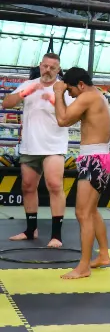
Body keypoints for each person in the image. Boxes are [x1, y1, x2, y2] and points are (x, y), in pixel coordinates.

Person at [2, 54, 70, 248]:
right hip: (31, 145)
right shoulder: (28, 85)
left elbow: (71, 116)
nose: (48, 70)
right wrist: (26, 92)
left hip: (54, 145)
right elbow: (6, 103)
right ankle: (31, 230)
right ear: (40, 66)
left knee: (55, 185)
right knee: (28, 187)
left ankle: (56, 235)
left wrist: (53, 100)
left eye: (52, 67)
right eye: (45, 66)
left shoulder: (63, 89)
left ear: (58, 70)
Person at [53, 68, 110, 279]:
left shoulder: (87, 96)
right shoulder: (97, 96)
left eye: (70, 90)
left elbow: (63, 120)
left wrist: (58, 93)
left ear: (80, 84)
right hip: (98, 158)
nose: (70, 94)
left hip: (94, 161)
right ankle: (103, 255)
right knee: (92, 211)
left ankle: (84, 266)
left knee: (83, 213)